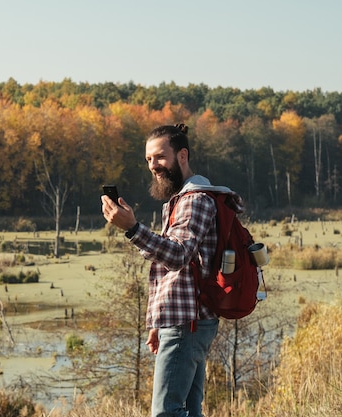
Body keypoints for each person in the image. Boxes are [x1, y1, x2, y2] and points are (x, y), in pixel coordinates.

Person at [101, 124, 241, 417]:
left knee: (166, 412)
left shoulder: (195, 201)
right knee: (189, 410)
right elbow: (173, 271)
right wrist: (157, 322)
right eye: (149, 160)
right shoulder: (179, 201)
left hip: (187, 322)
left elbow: (178, 255)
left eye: (160, 157)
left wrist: (132, 229)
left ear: (182, 155)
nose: (153, 166)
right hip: (180, 320)